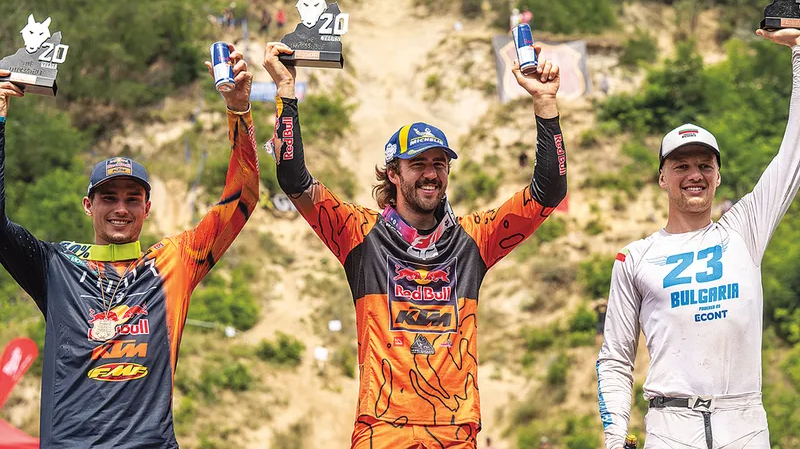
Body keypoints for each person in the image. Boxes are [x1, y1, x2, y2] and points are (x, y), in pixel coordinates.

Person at [262, 41, 567, 448]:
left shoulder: (472, 239)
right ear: (393, 172)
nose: (431, 174)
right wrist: (286, 92)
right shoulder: (360, 234)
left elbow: (548, 192)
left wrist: (545, 103)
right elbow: (294, 178)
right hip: (382, 429)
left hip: (455, 431)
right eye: (418, 164)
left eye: (439, 164)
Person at [0, 49, 259, 448]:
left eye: (132, 198)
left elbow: (241, 197)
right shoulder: (56, 265)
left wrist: (239, 110)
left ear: (146, 208)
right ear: (88, 206)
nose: (120, 208)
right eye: (108, 198)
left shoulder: (175, 261)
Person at [596, 28, 800, 449]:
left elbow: (792, 155)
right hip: (671, 426)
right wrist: (615, 437)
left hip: (743, 421)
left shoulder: (743, 230)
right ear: (662, 178)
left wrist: (799, 54)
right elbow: (616, 358)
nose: (694, 175)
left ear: (718, 176)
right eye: (681, 166)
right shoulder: (634, 258)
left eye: (705, 166)